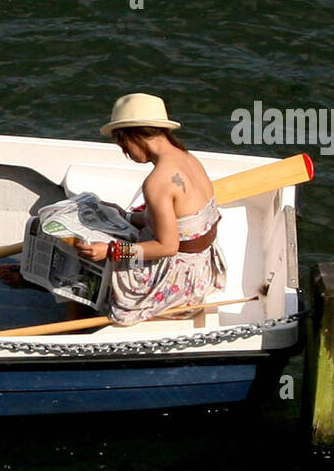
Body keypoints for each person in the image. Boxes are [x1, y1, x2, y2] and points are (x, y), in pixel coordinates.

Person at [78, 93, 227, 325]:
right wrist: (124, 215)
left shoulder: (158, 180)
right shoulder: (187, 157)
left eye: (122, 143)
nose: (125, 152)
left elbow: (166, 247)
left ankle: (73, 324)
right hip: (201, 269)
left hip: (176, 280)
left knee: (83, 258)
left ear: (132, 136)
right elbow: (178, 223)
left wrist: (111, 251)